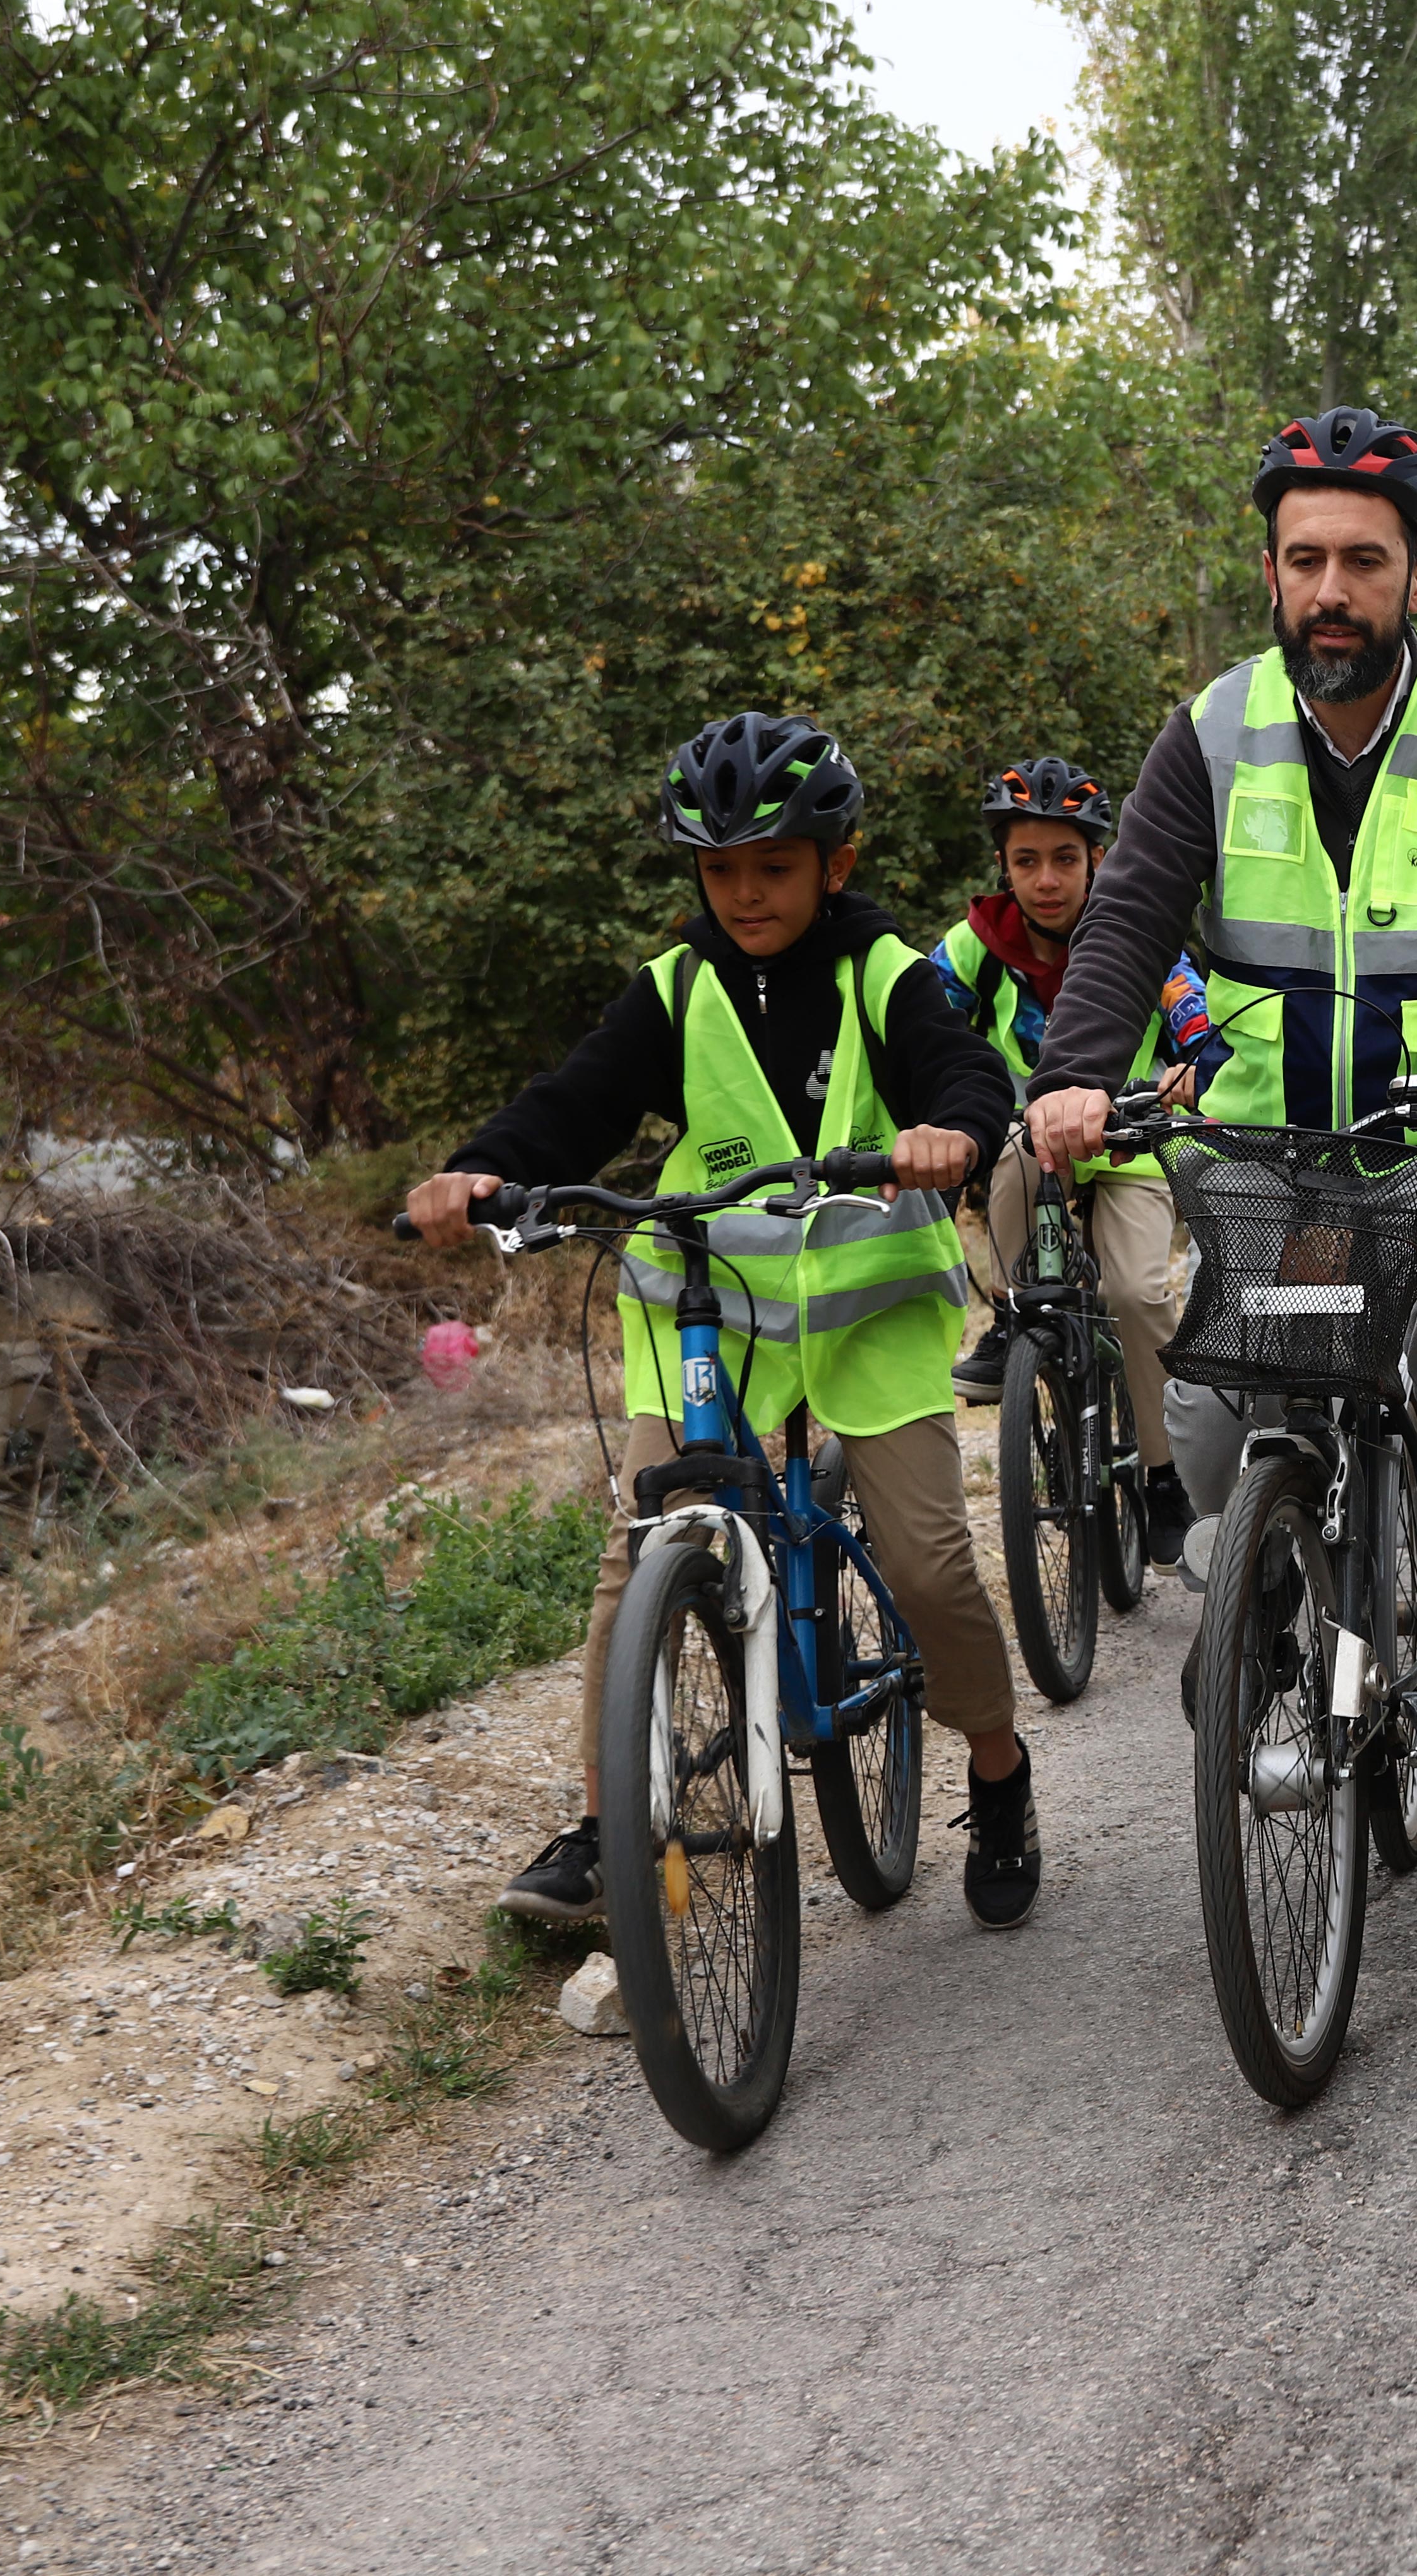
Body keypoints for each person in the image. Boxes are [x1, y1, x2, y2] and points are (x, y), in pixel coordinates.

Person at [1025, 407, 1417, 1765]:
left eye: (1362, 560)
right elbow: (1129, 922)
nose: (1330, 591)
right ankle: (1256, 1573)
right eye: (1304, 561)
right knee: (1219, 1374)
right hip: (1270, 1143)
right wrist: (1076, 1080)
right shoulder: (1212, 732)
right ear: (1273, 572)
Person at [405, 714, 1046, 1929]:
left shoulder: (884, 973)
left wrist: (951, 1129)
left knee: (924, 1561)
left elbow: (962, 1068)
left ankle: (1000, 1770)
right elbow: (571, 1105)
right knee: (641, 1551)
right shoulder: (676, 989)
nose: (745, 894)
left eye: (774, 867)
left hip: (869, 1319)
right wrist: (480, 1172)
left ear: (835, 864)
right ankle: (607, 1831)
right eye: (719, 871)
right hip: (717, 1322)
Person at [933, 754, 1220, 1566]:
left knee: (1133, 1291)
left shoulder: (1143, 939)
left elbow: (1201, 1028)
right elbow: (916, 1026)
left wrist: (1200, 1067)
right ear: (1004, 866)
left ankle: (1165, 1476)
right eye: (1027, 861)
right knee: (1019, 1156)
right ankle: (1015, 1312)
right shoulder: (975, 949)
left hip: (1129, 1147)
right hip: (1034, 1140)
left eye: (1066, 858)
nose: (1046, 880)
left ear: (1098, 858)